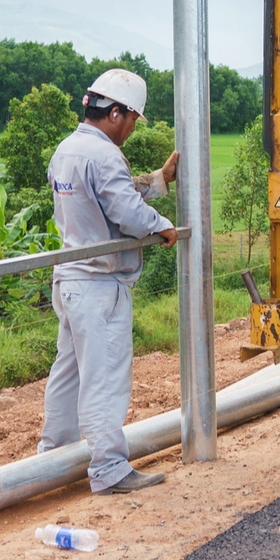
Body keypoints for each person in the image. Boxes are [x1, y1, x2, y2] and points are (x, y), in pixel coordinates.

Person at [38, 68, 181, 494]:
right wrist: (163, 225)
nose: (133, 129)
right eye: (133, 119)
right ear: (115, 112)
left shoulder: (68, 149)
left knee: (69, 374)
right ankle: (108, 470)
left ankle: (52, 461)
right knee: (104, 379)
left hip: (70, 281)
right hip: (100, 286)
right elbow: (129, 214)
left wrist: (159, 180)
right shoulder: (104, 155)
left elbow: (104, 196)